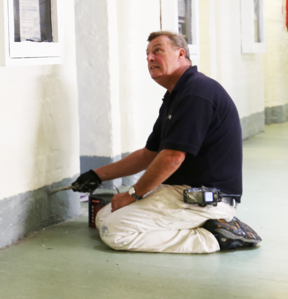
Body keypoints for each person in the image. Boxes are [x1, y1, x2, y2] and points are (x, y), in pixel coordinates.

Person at [70, 31, 262, 253]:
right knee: (105, 214)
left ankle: (215, 237)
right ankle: (206, 226)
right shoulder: (177, 95)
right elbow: (149, 154)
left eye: (158, 50)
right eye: (148, 54)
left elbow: (172, 158)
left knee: (114, 231)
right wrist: (97, 175)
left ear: (181, 54)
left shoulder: (196, 93)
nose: (150, 58)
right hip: (180, 191)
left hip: (206, 199)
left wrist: (133, 194)